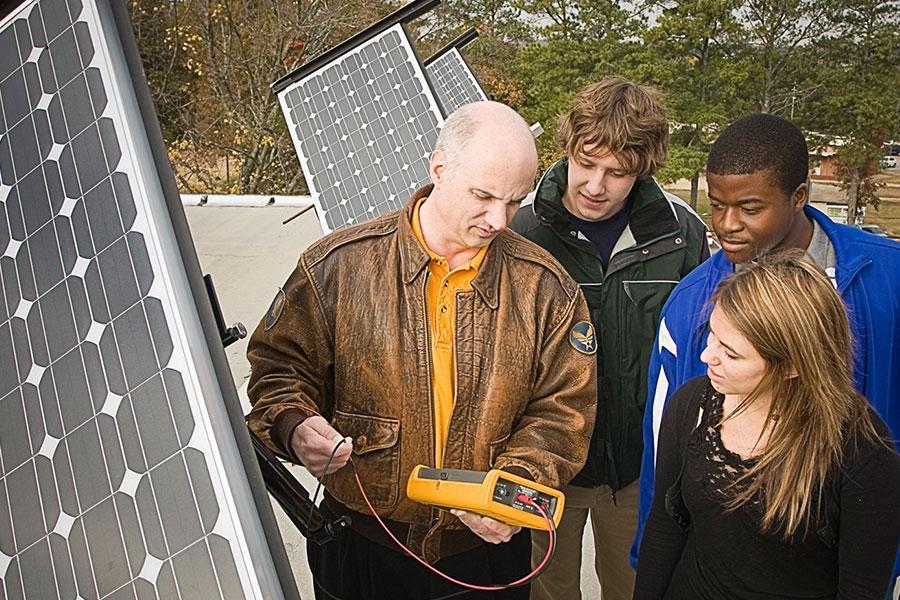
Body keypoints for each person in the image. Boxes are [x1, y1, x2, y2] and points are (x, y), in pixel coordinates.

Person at [246, 101, 598, 600]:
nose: (499, 219)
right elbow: (278, 370)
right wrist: (294, 426)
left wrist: (514, 481)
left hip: (485, 554)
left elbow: (564, 411)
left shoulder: (547, 288)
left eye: (515, 201)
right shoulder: (337, 266)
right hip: (360, 548)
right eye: (484, 195)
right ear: (438, 168)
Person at [632, 113, 900, 588]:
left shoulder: (888, 281)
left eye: (750, 208)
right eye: (716, 206)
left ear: (799, 197)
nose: (727, 225)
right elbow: (664, 461)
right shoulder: (691, 301)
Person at [510, 77, 708, 600]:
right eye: (585, 162)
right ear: (568, 148)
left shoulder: (681, 233)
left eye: (617, 172)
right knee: (545, 592)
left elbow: (702, 352)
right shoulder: (520, 228)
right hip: (544, 466)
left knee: (636, 589)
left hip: (637, 470)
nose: (595, 185)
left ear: (643, 168)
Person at [633, 251, 900, 599]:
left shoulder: (862, 451)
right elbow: (666, 528)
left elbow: (861, 588)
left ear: (793, 366)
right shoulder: (691, 404)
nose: (706, 357)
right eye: (711, 335)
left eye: (731, 354)